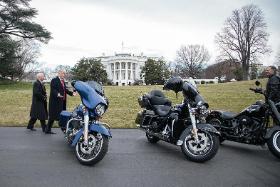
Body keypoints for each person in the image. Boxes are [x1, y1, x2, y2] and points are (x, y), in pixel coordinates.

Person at [45, 70, 76, 134]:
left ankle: (48, 129)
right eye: (63, 73)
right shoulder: (54, 80)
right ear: (59, 73)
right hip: (55, 102)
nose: (64, 75)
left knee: (60, 116)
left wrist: (72, 93)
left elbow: (65, 90)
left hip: (62, 101)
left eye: (64, 73)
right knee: (54, 116)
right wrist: (57, 94)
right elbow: (53, 89)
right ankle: (64, 130)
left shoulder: (63, 81)